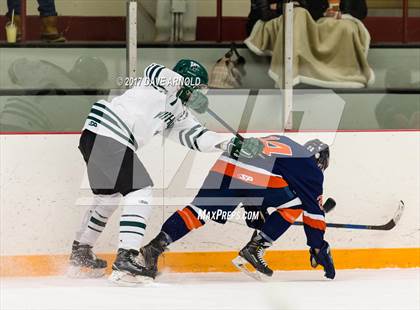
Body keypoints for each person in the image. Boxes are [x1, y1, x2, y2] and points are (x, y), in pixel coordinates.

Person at [68, 59, 264, 284]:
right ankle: (126, 259)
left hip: (95, 134)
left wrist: (229, 144)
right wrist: (185, 88)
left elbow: (197, 136)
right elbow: (155, 70)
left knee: (107, 199)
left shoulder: (178, 113)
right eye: (199, 87)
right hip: (109, 133)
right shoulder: (157, 83)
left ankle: (80, 252)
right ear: (188, 82)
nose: (202, 93)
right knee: (140, 192)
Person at [140, 135, 335, 280]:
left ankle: (154, 247)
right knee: (297, 204)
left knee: (198, 211)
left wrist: (259, 214)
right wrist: (319, 246)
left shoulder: (287, 145)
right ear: (320, 160)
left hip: (227, 163)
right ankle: (256, 247)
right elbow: (314, 215)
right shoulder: (312, 171)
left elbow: (257, 184)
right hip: (255, 175)